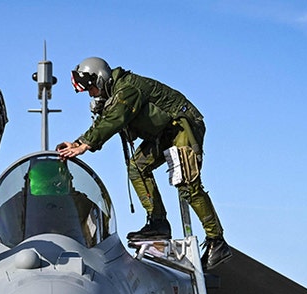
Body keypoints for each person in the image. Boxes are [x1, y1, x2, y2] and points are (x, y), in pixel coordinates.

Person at [57, 57, 231, 268]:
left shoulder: (127, 89)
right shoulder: (115, 95)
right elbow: (109, 119)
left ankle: (217, 241)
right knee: (137, 167)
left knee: (187, 184)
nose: (91, 94)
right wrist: (77, 142)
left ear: (100, 78)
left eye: (91, 88)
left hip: (182, 125)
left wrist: (84, 143)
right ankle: (158, 222)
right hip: (164, 132)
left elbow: (115, 118)